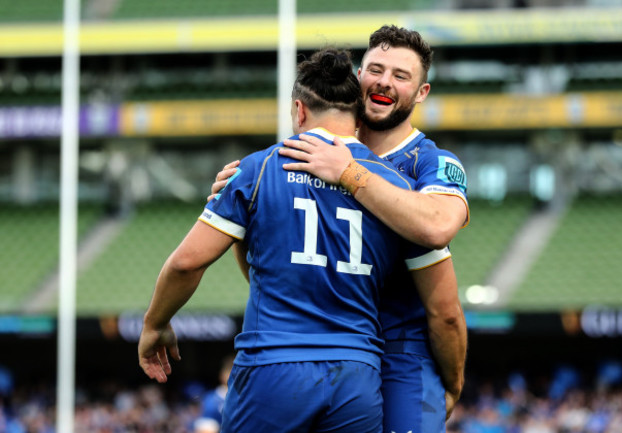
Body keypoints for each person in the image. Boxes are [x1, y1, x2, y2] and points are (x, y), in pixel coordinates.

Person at [138, 47, 455, 433]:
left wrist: (156, 323)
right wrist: (453, 382)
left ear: (299, 111)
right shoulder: (399, 190)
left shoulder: (258, 168)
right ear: (357, 117)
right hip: (357, 376)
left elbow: (187, 263)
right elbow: (446, 309)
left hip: (272, 366)